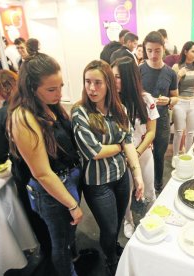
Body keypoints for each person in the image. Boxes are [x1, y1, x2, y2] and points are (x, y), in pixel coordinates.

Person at [7, 53, 83, 276]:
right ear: (31, 88)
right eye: (51, 89)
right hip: (51, 190)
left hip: (66, 180)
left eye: (60, 86)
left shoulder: (50, 105)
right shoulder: (23, 117)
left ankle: (73, 263)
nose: (59, 94)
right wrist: (72, 204)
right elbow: (41, 172)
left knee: (67, 239)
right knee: (59, 244)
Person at [71, 60, 144, 275]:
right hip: (97, 184)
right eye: (87, 82)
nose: (91, 88)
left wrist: (137, 175)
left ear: (109, 84)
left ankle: (112, 248)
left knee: (119, 220)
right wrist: (120, 145)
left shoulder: (118, 108)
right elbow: (93, 152)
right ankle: (111, 261)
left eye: (97, 83)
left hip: (120, 176)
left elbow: (129, 141)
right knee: (109, 228)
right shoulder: (80, 112)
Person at [0, 69, 54, 269]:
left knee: (39, 220)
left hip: (27, 177)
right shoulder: (33, 106)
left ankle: (51, 259)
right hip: (53, 170)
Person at [111, 56, 159, 238]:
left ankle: (152, 219)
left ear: (129, 77)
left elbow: (152, 132)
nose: (113, 80)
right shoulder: (111, 102)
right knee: (126, 195)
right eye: (112, 76)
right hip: (120, 158)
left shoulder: (146, 99)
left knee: (149, 189)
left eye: (118, 76)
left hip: (143, 154)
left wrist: (137, 153)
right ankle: (128, 221)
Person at [140, 31, 178, 193]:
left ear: (164, 49)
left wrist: (169, 101)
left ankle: (158, 185)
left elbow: (176, 97)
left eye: (157, 50)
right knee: (142, 155)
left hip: (161, 120)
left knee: (159, 155)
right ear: (144, 50)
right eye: (149, 51)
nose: (153, 54)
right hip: (141, 120)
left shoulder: (170, 73)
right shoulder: (139, 69)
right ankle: (140, 187)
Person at [171, 41, 194, 156]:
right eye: (193, 51)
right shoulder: (176, 67)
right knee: (178, 132)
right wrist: (179, 75)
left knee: (190, 133)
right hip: (180, 102)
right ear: (185, 52)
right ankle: (175, 156)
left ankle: (188, 155)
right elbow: (172, 87)